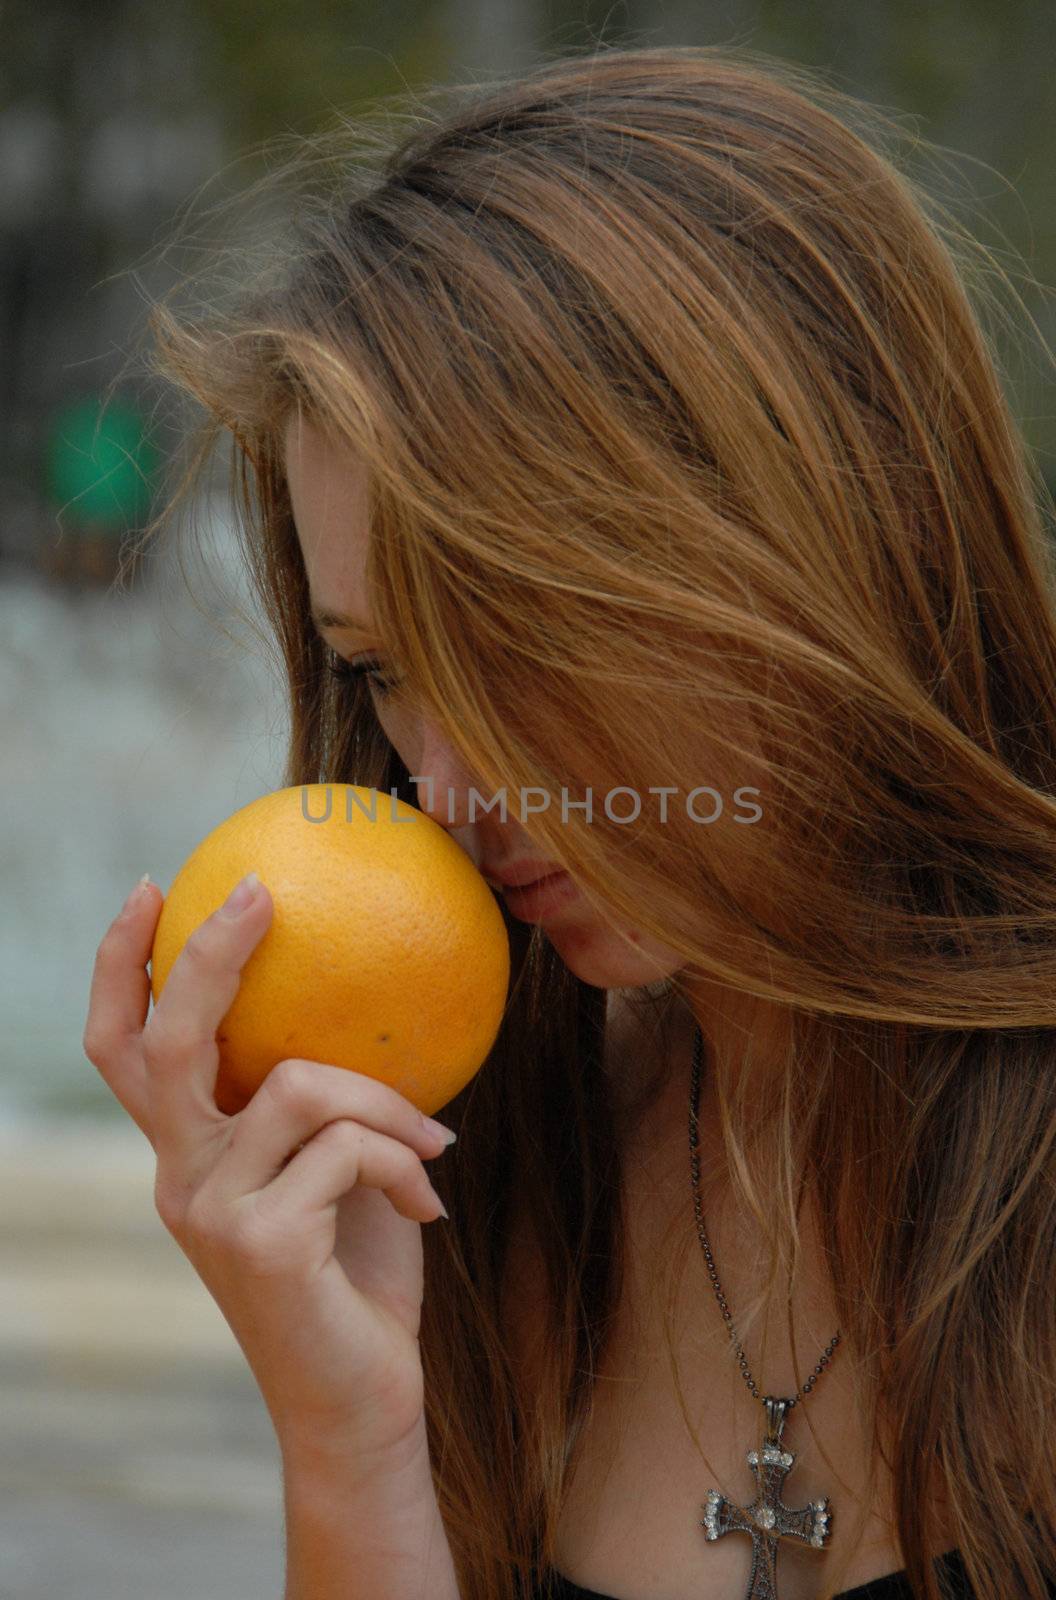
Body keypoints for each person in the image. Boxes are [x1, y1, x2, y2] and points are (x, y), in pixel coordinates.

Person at [83, 43, 1056, 1600]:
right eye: (384, 671)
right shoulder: (484, 1180)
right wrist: (350, 1453)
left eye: (522, 637)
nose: (446, 791)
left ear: (814, 535)